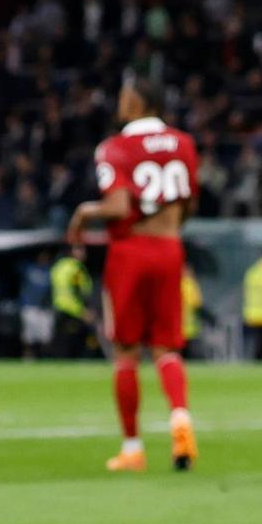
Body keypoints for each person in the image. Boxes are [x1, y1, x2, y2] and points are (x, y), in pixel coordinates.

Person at [68, 77, 198, 474]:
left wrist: (82, 215)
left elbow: (119, 205)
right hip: (170, 247)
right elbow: (189, 200)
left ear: (137, 102)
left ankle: (133, 448)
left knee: (126, 352)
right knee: (167, 348)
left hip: (131, 251)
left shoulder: (115, 147)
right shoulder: (183, 143)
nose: (119, 103)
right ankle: (180, 418)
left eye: (123, 97)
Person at [19, 250, 57, 361]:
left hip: (45, 308)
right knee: (29, 336)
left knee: (46, 336)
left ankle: (45, 358)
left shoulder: (52, 270)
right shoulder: (29, 267)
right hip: (29, 305)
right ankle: (28, 357)